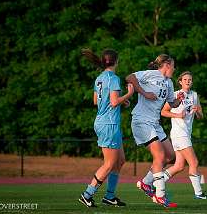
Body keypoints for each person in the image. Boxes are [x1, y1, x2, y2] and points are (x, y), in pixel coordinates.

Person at [126, 54, 184, 208]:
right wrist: (144, 93)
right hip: (141, 121)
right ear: (166, 64)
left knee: (170, 156)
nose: (174, 68)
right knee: (159, 156)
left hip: (154, 123)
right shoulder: (151, 74)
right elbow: (129, 77)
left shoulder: (170, 83)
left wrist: (178, 100)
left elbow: (171, 102)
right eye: (173, 65)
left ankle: (146, 183)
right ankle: (160, 195)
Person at [78, 48, 134, 208]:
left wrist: (121, 101)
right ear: (116, 61)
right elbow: (114, 102)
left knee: (120, 160)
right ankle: (87, 194)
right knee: (109, 164)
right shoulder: (114, 78)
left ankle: (109, 196)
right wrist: (128, 95)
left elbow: (96, 101)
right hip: (109, 124)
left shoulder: (99, 78)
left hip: (103, 122)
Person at [160, 71, 207, 199]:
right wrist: (178, 115)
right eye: (185, 79)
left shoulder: (194, 95)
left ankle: (156, 183)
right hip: (179, 134)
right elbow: (163, 112)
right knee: (194, 162)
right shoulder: (175, 95)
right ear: (180, 82)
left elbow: (201, 116)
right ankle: (199, 193)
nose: (188, 81)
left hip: (186, 134)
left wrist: (197, 112)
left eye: (190, 79)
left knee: (179, 166)